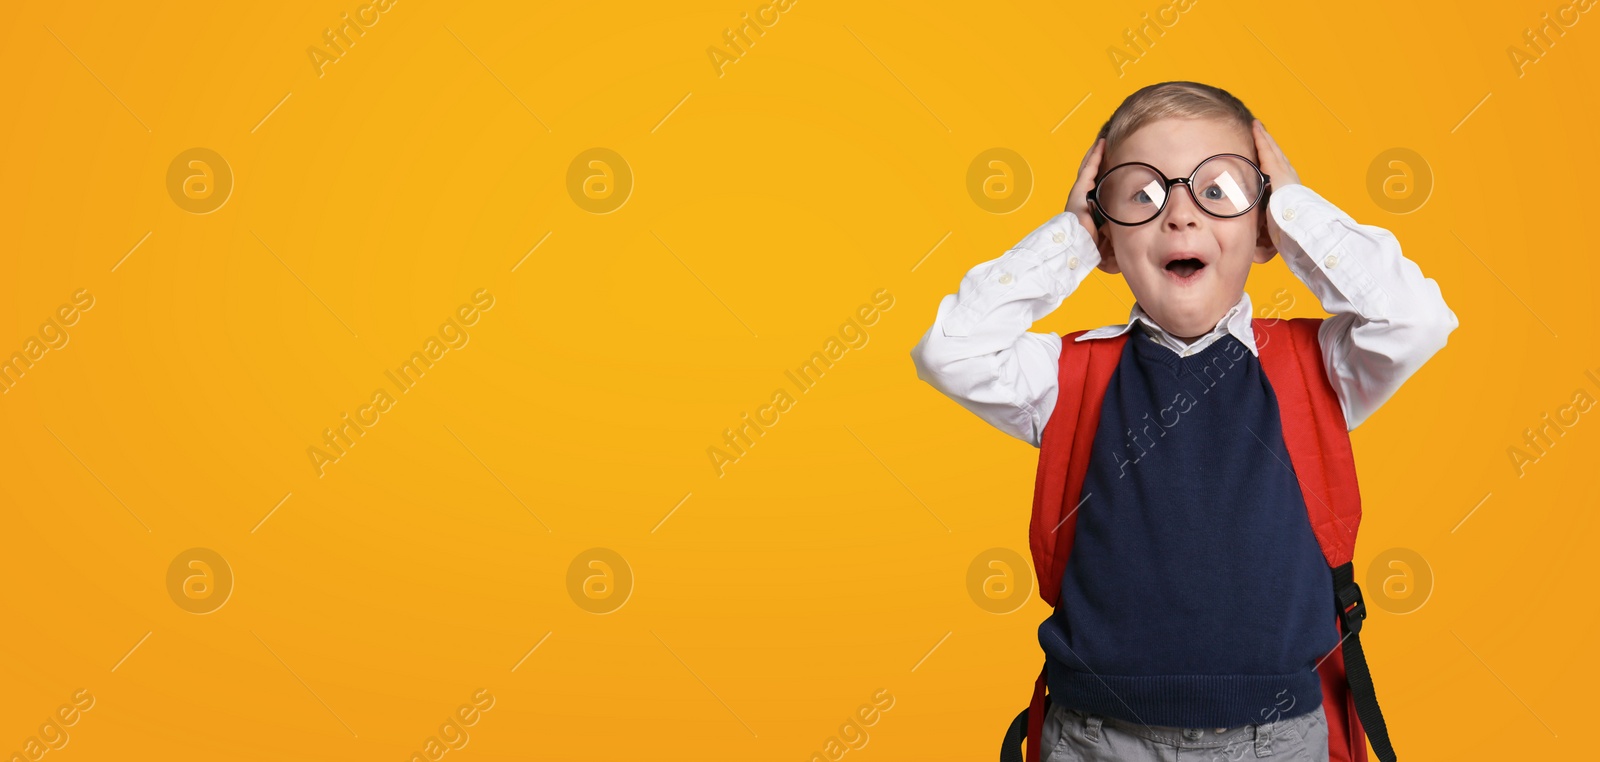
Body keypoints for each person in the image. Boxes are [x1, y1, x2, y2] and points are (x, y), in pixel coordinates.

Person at [910, 81, 1458, 761]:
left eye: (1219, 189)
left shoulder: (1317, 366)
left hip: (1277, 740)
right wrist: (1074, 236)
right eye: (1141, 194)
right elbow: (950, 349)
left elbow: (1418, 319)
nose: (1179, 215)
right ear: (1109, 242)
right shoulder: (1068, 376)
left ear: (1262, 232)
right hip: (1094, 738)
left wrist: (1293, 210)